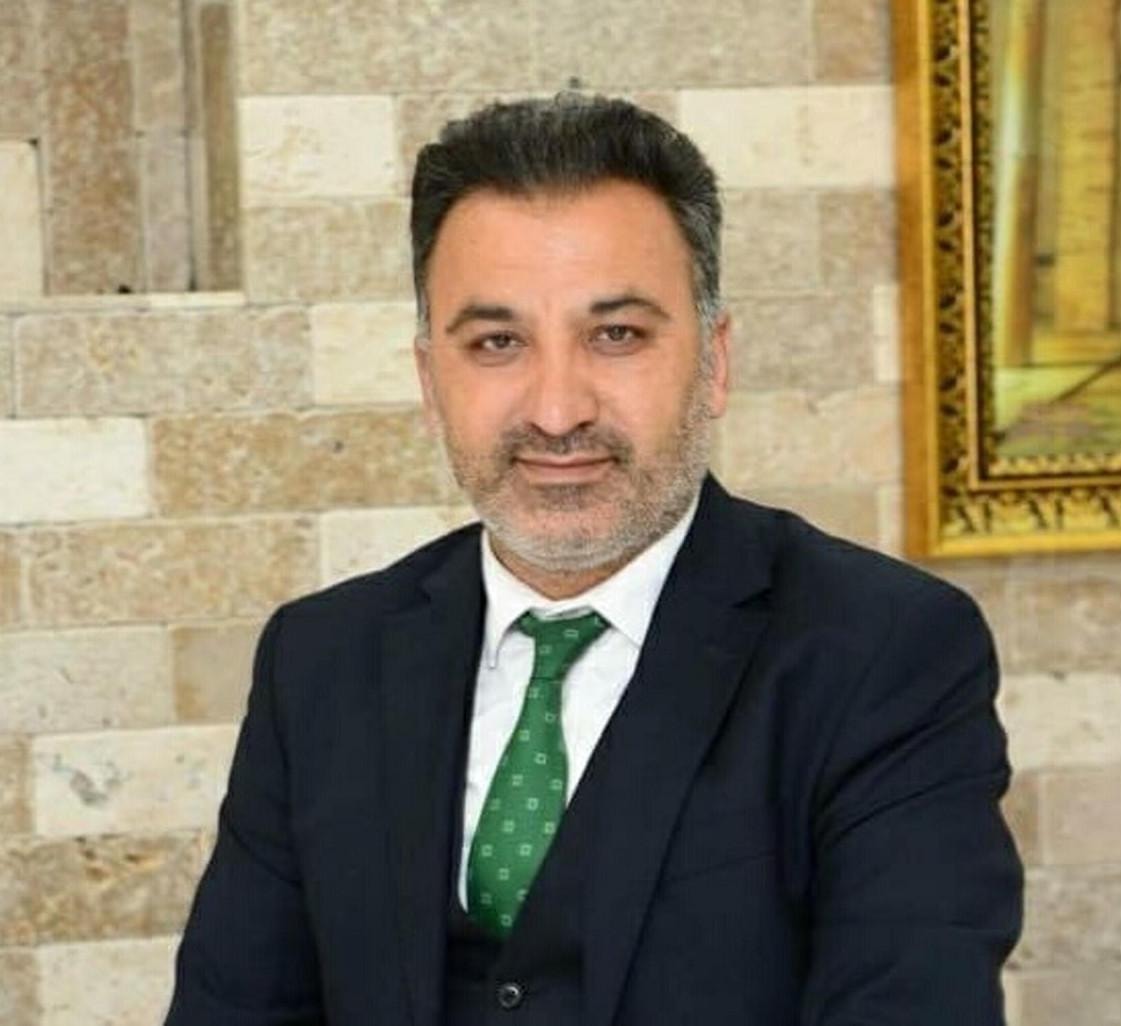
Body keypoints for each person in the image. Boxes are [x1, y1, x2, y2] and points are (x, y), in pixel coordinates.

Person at [165, 94, 1022, 1026]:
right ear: (430, 382)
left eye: (616, 335)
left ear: (714, 362)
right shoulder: (320, 659)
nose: (558, 410)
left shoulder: (885, 653)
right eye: (497, 343)